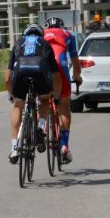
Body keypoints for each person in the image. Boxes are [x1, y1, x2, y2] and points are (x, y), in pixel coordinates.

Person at [6, 24, 62, 164]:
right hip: (39, 73)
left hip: (20, 74)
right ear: (40, 35)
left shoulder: (18, 44)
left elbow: (7, 78)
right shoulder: (45, 43)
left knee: (18, 105)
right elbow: (56, 75)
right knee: (44, 99)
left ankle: (14, 149)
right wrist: (55, 96)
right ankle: (41, 126)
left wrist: (11, 94)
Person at [43, 16, 82, 164]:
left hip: (44, 70)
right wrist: (77, 76)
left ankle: (41, 127)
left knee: (43, 99)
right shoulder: (68, 35)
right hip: (61, 70)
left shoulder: (41, 34)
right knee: (64, 105)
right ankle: (64, 145)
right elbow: (75, 61)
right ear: (62, 26)